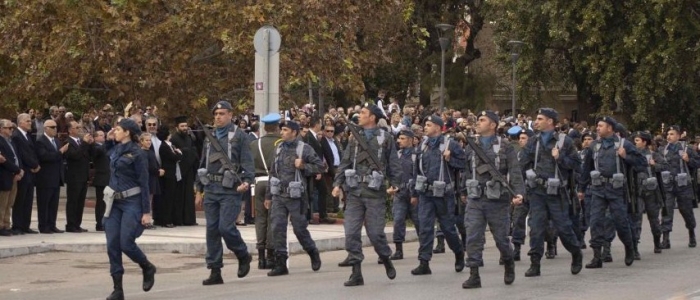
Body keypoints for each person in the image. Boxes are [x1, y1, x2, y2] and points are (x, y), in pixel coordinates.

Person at [332, 103, 401, 287]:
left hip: (374, 192)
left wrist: (396, 185)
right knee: (351, 232)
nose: (359, 115)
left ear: (372, 118)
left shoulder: (385, 138)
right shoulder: (355, 137)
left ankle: (385, 257)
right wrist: (337, 183)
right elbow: (346, 162)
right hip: (354, 191)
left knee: (376, 234)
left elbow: (393, 163)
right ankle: (356, 273)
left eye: (363, 113)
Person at [461, 110, 525, 289]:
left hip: (497, 200)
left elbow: (515, 172)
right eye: (478, 120)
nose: (478, 123)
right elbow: (467, 170)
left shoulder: (505, 146)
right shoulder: (471, 146)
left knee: (501, 238)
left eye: (482, 120)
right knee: (473, 235)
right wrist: (463, 191)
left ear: (493, 125)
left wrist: (518, 193)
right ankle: (474, 273)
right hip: (476, 199)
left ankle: (508, 260)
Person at [195, 100, 254, 286]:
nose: (218, 117)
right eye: (216, 114)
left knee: (226, 227)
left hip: (230, 190)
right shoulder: (209, 135)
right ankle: (215, 270)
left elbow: (247, 162)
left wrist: (246, 181)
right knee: (211, 230)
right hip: (211, 189)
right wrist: (199, 189)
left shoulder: (240, 136)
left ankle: (242, 253)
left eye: (222, 113)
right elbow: (203, 162)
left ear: (230, 115)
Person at [519, 108, 583, 277]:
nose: (536, 121)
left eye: (540, 118)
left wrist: (560, 157)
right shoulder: (534, 141)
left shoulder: (565, 142)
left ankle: (576, 252)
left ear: (550, 121)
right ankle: (535, 263)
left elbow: (577, 164)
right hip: (537, 191)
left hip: (557, 193)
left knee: (563, 228)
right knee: (536, 228)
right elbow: (522, 162)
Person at [579, 116, 647, 269]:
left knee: (621, 221)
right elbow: (586, 168)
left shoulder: (624, 144)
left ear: (609, 128)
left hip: (616, 190)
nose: (597, 128)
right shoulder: (594, 145)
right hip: (598, 189)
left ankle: (629, 247)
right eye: (597, 125)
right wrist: (581, 189)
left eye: (600, 125)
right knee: (595, 221)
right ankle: (597, 256)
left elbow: (641, 163)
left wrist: (626, 156)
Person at [103, 118, 156, 300]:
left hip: (132, 201)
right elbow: (104, 153)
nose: (115, 131)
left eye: (118, 129)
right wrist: (109, 139)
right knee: (112, 245)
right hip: (114, 202)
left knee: (126, 243)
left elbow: (144, 182)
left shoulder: (138, 154)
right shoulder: (116, 148)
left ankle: (147, 266)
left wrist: (146, 212)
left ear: (127, 132)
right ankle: (118, 289)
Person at [264, 121, 324, 276]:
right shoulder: (278, 148)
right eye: (281, 129)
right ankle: (281, 263)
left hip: (296, 197)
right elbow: (272, 173)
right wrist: (268, 195)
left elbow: (320, 167)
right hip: (279, 195)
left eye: (285, 130)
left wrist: (304, 165)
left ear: (294, 132)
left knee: (299, 229)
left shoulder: (304, 149)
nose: (282, 132)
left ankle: (312, 252)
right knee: (277, 228)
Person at [410, 115, 466, 275]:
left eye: (428, 125)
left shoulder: (450, 144)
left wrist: (450, 159)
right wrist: (414, 193)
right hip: (426, 194)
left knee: (448, 228)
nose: (425, 127)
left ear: (437, 127)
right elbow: (417, 171)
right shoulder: (423, 145)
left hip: (444, 195)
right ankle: (424, 262)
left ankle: (458, 253)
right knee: (425, 228)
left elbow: (463, 164)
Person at [658, 125, 700, 248]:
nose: (669, 136)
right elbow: (659, 165)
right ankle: (665, 239)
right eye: (668, 134)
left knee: (686, 211)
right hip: (668, 185)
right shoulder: (662, 149)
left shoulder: (687, 149)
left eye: (672, 134)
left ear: (678, 135)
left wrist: (688, 160)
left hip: (683, 185)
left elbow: (697, 163)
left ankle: (691, 233)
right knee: (667, 211)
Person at [249, 113, 282, 270]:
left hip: (258, 182)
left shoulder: (255, 144)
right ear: (277, 127)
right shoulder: (281, 143)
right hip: (274, 183)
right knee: (272, 219)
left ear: (264, 127)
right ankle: (270, 255)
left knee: (260, 219)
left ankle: (260, 257)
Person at [632, 131, 667, 253]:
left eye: (637, 140)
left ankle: (657, 243)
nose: (634, 143)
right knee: (636, 219)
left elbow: (664, 165)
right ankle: (635, 247)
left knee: (654, 219)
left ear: (644, 142)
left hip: (651, 191)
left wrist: (654, 165)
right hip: (637, 191)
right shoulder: (632, 155)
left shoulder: (653, 155)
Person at [390, 130, 420, 260]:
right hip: (400, 193)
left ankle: (424, 247)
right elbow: (393, 173)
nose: (399, 141)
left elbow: (420, 175)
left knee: (419, 222)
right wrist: (392, 187)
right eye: (399, 138)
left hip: (414, 193)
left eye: (402, 138)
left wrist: (416, 193)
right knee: (398, 221)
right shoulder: (397, 154)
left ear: (410, 140)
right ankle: (398, 250)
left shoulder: (417, 155)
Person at [35, 119, 67, 234]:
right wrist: (60, 152)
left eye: (56, 127)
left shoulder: (57, 141)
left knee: (54, 204)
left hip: (56, 177)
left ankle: (52, 224)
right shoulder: (40, 141)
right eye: (52, 127)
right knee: (44, 203)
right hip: (45, 178)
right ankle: (43, 226)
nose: (55, 129)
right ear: (46, 128)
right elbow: (45, 157)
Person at [11, 114, 40, 235]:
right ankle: (17, 225)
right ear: (21, 122)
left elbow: (32, 152)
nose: (30, 123)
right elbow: (22, 154)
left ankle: (25, 225)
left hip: (30, 172)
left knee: (28, 200)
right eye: (28, 121)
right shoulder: (17, 136)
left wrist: (36, 164)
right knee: (20, 200)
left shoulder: (27, 135)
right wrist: (34, 165)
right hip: (24, 171)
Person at [64, 121, 94, 232]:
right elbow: (74, 156)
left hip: (83, 176)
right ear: (70, 130)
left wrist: (90, 144)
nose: (79, 129)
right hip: (74, 176)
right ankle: (71, 224)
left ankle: (77, 223)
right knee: (73, 201)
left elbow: (88, 156)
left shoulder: (81, 142)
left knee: (80, 202)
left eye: (80, 127)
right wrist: (85, 144)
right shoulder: (68, 142)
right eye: (76, 127)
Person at [170, 116, 199, 226]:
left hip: (189, 170)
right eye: (182, 126)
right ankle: (179, 219)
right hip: (179, 171)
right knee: (179, 196)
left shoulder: (189, 138)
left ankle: (189, 219)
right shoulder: (174, 138)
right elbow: (177, 154)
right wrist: (187, 152)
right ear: (177, 128)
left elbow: (194, 151)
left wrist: (189, 152)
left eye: (186, 126)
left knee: (189, 195)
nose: (184, 128)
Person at [0, 120, 22, 236]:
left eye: (12, 128)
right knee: (2, 203)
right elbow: (4, 161)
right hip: (4, 175)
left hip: (13, 176)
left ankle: (6, 224)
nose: (11, 130)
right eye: (8, 128)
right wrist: (17, 169)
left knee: (9, 203)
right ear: (1, 129)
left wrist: (19, 171)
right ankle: (1, 226)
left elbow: (16, 157)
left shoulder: (11, 142)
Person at [92, 130, 110, 231]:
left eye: (104, 135)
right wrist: (108, 140)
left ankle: (106, 221)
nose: (103, 136)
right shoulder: (95, 147)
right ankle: (99, 223)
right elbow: (98, 152)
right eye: (100, 135)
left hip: (109, 177)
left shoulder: (106, 147)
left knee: (108, 202)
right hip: (101, 178)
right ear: (95, 138)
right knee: (101, 202)